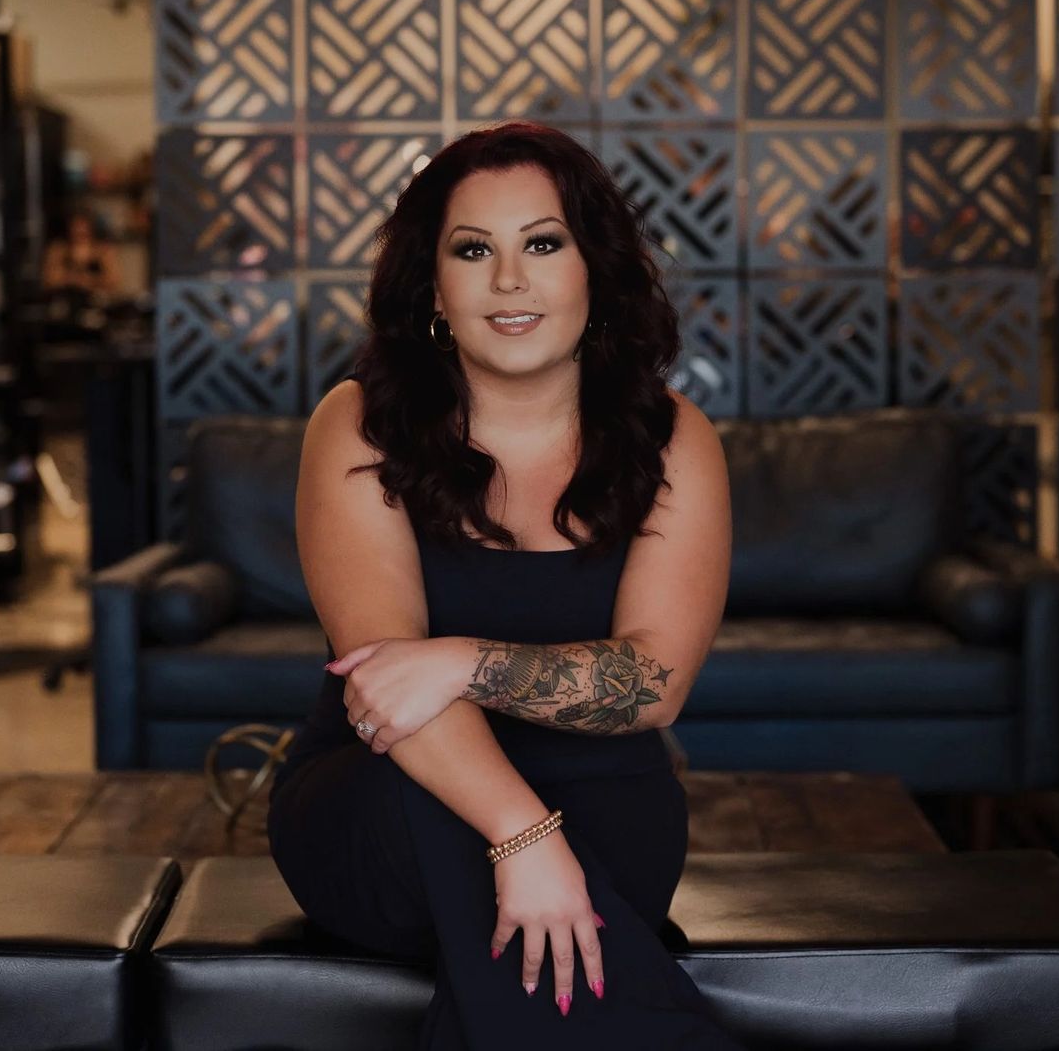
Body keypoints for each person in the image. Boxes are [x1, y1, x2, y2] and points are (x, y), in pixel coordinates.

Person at [265, 122, 745, 1048]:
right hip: (389, 798)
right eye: (474, 250)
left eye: (544, 244)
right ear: (433, 285)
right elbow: (386, 686)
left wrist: (464, 662)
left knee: (599, 860)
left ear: (594, 268)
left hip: (604, 795)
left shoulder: (672, 437)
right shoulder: (360, 424)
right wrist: (526, 837)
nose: (510, 280)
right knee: (436, 822)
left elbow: (653, 683)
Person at [41, 210, 120, 295]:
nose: (79, 231)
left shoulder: (103, 250)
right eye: (75, 227)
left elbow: (113, 280)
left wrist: (88, 280)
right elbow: (49, 279)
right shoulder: (58, 249)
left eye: (83, 227)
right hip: (63, 297)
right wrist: (73, 279)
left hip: (96, 298)